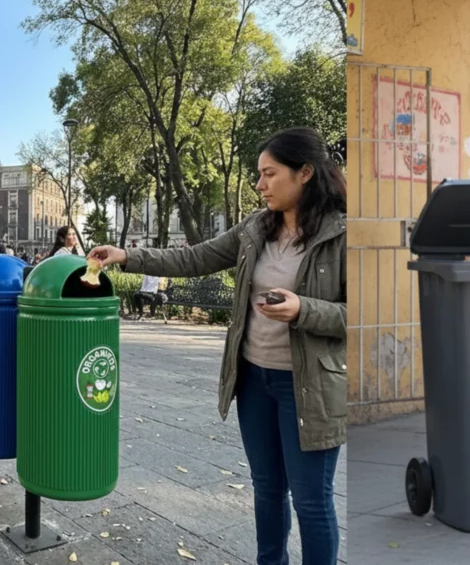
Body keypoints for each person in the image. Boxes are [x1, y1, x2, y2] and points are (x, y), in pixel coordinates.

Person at [90, 127, 347, 562]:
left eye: (269, 174)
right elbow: (194, 258)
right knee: (267, 490)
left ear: (305, 173)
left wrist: (304, 308)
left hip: (310, 389)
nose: (260, 184)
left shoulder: (343, 233)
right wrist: (127, 256)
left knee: (311, 501)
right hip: (253, 380)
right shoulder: (256, 228)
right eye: (258, 175)